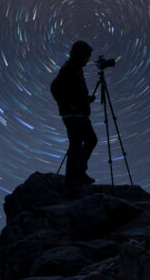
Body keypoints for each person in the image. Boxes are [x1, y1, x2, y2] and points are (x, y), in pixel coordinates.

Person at [50, 40, 98, 193]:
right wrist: (68, 105)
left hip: (79, 115)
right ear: (80, 55)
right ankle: (71, 183)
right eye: (86, 56)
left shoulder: (76, 69)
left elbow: (73, 92)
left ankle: (79, 173)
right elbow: (55, 87)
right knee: (76, 145)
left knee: (91, 140)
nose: (88, 60)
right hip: (73, 116)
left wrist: (86, 100)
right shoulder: (70, 68)